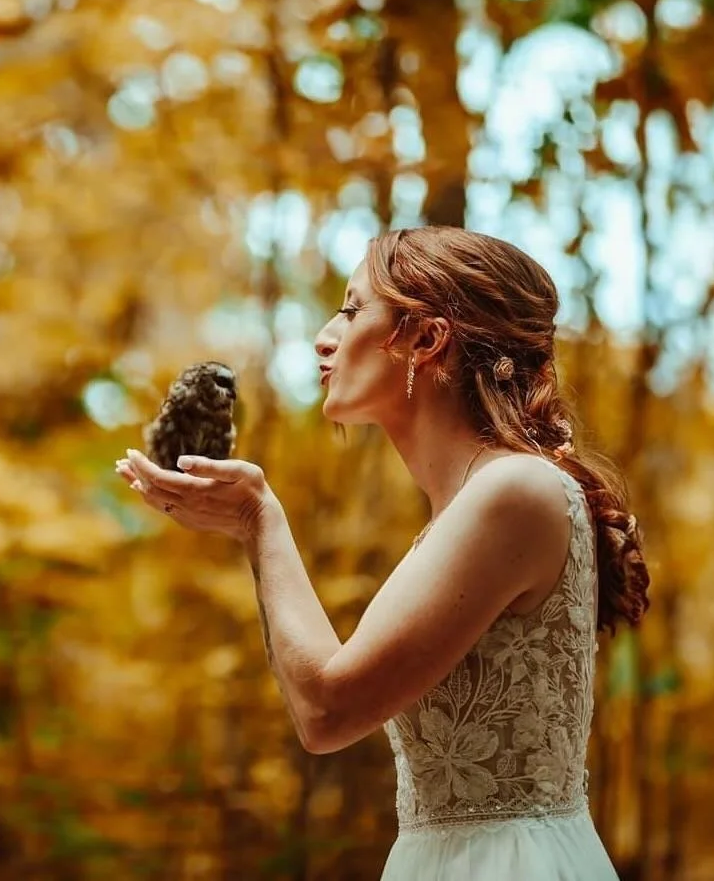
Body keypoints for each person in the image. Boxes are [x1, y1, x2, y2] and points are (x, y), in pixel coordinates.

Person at [116, 225, 650, 879]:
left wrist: (260, 520)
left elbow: (327, 710)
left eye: (350, 308)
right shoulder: (472, 510)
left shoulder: (514, 491)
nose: (324, 335)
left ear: (425, 339)